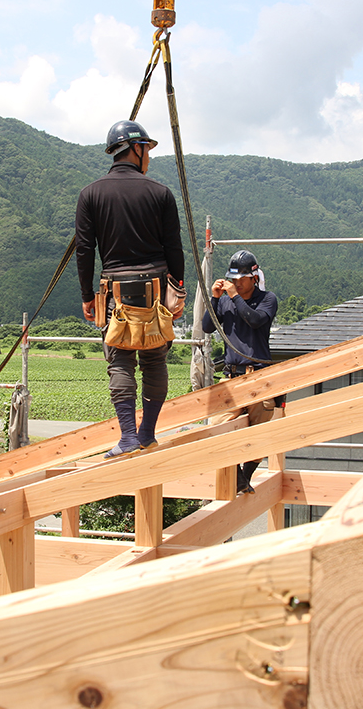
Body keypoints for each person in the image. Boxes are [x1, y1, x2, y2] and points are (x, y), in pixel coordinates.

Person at [76, 120, 185, 457]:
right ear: (135, 149)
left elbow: (84, 250)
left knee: (120, 363)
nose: (149, 156)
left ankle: (127, 438)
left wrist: (86, 296)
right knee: (154, 361)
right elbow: (174, 250)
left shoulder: (91, 194)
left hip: (114, 294)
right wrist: (177, 291)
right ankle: (147, 434)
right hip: (154, 290)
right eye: (147, 150)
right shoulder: (160, 193)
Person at [202, 250, 281, 494]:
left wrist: (235, 297)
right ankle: (238, 476)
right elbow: (207, 327)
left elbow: (255, 320)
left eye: (241, 279)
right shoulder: (225, 299)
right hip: (232, 374)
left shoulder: (268, 299)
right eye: (233, 279)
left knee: (259, 431)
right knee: (216, 427)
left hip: (258, 374)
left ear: (253, 277)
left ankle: (243, 478)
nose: (236, 283)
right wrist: (215, 299)